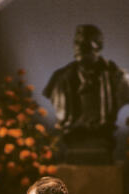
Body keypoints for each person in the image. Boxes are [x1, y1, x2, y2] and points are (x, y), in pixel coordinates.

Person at [43, 25, 129, 163]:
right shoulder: (59, 79)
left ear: (98, 47)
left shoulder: (118, 78)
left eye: (85, 43)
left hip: (103, 140)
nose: (79, 47)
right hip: (74, 138)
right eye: (76, 42)